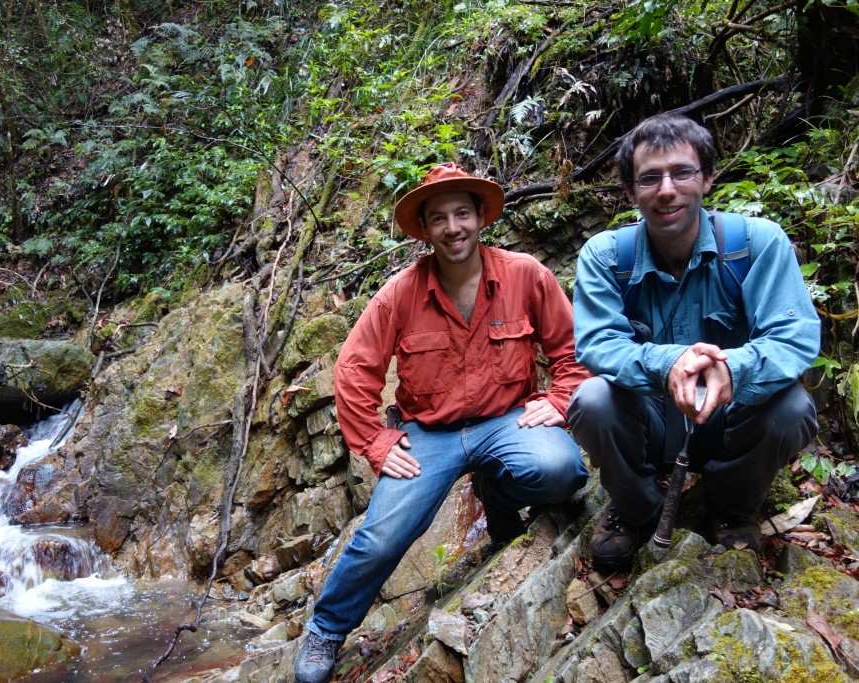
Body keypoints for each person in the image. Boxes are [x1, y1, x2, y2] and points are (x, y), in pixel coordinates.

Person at [293, 162, 592, 683]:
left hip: (507, 419)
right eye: (439, 219)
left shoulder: (526, 274)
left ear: (480, 217)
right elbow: (354, 369)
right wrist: (376, 442)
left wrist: (562, 397)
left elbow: (571, 349)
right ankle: (326, 631)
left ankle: (496, 498)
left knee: (562, 470)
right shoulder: (399, 294)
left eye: (461, 214)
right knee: (382, 536)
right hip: (429, 434)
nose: (452, 228)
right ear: (426, 231)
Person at [568, 113, 820, 569]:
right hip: (651, 425)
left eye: (682, 172)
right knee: (592, 399)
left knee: (793, 408)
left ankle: (732, 506)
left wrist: (732, 368)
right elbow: (598, 342)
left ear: (707, 178)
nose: (667, 189)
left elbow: (794, 336)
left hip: (732, 418)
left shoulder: (755, 244)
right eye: (649, 178)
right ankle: (635, 508)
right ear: (630, 192)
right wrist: (670, 364)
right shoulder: (606, 257)